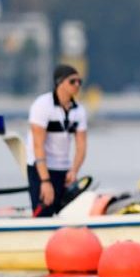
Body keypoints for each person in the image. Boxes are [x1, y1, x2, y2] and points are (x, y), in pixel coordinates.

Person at [27, 64, 88, 217]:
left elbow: (81, 145)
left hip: (64, 168)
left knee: (68, 213)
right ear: (60, 83)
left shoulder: (79, 110)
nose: (77, 85)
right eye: (72, 81)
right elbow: (37, 145)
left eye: (80, 81)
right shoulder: (42, 105)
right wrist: (45, 181)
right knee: (44, 211)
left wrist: (74, 170)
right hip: (41, 168)